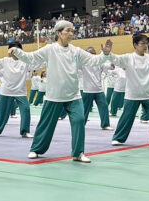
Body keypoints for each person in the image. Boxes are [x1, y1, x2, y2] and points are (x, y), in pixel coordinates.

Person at [11, 20, 113, 162]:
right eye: (68, 30)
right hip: (54, 95)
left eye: (72, 31)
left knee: (79, 120)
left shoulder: (76, 51)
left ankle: (78, 153)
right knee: (46, 125)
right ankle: (36, 149)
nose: (71, 33)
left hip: (73, 95)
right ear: (58, 33)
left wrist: (105, 55)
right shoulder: (49, 49)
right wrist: (18, 52)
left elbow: (94, 61)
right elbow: (31, 58)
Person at [0, 42, 41, 138]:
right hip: (6, 91)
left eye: (16, 50)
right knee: (2, 112)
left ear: (20, 51)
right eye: (11, 49)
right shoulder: (5, 61)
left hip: (20, 92)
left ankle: (25, 131)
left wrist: (49, 59)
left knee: (26, 110)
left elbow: (37, 65)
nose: (13, 52)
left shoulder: (25, 62)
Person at [80, 47, 113, 130]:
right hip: (87, 90)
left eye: (95, 53)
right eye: (92, 53)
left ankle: (105, 125)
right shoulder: (83, 63)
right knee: (84, 109)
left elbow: (108, 66)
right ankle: (80, 125)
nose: (94, 55)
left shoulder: (99, 62)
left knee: (104, 106)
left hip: (99, 90)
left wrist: (113, 63)